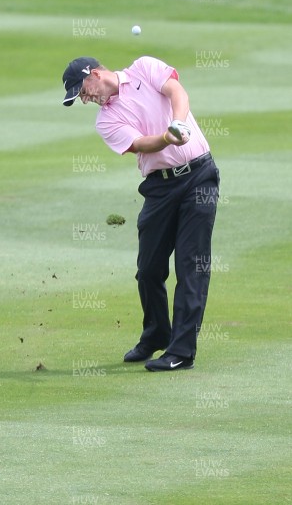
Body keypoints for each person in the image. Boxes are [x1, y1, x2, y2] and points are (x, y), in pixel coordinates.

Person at [61, 55, 219, 372]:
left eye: (82, 89)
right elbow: (141, 144)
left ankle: (182, 352)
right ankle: (156, 334)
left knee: (191, 265)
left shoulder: (143, 68)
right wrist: (166, 137)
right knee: (148, 269)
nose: (85, 98)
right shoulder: (105, 120)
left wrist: (179, 123)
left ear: (93, 74)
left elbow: (177, 92)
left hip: (199, 177)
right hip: (159, 188)